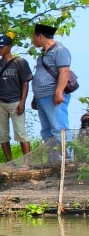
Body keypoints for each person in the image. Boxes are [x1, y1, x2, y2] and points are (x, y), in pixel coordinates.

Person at [0, 34, 33, 164]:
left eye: (1, 47)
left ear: (9, 47)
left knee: (21, 132)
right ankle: (10, 163)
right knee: (2, 134)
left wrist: (22, 101)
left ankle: (26, 162)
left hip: (16, 101)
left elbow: (25, 83)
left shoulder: (20, 62)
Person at [30, 23, 73, 164]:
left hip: (53, 96)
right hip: (41, 97)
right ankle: (54, 161)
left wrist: (59, 92)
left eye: (34, 37)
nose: (32, 40)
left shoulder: (60, 50)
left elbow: (64, 72)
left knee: (59, 128)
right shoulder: (43, 54)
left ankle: (67, 160)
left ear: (40, 36)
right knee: (47, 131)